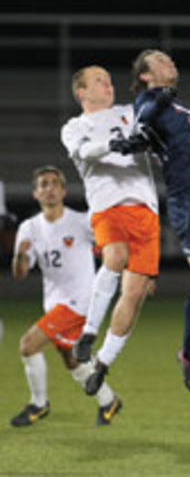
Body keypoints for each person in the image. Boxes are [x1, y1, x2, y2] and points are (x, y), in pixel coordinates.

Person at [105, 49, 190, 397]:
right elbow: (142, 126)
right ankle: (188, 353)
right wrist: (156, 104)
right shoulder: (147, 102)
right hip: (189, 200)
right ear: (145, 75)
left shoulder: (182, 108)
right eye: (162, 61)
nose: (172, 64)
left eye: (171, 60)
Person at [60, 65, 160, 399]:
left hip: (146, 210)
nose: (108, 84)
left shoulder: (130, 113)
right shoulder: (75, 126)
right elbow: (86, 150)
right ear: (81, 92)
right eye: (99, 80)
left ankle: (102, 363)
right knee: (115, 256)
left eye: (109, 79)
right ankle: (88, 332)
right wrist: (115, 144)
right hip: (109, 205)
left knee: (134, 294)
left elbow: (155, 126)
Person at [9, 166, 122, 427]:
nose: (49, 188)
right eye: (43, 184)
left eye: (54, 184)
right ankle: (109, 401)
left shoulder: (81, 222)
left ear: (63, 190)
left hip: (81, 302)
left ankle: (39, 404)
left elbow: (111, 245)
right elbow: (20, 274)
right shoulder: (29, 228)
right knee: (73, 360)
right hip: (55, 303)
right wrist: (20, 256)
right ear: (35, 193)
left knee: (28, 345)